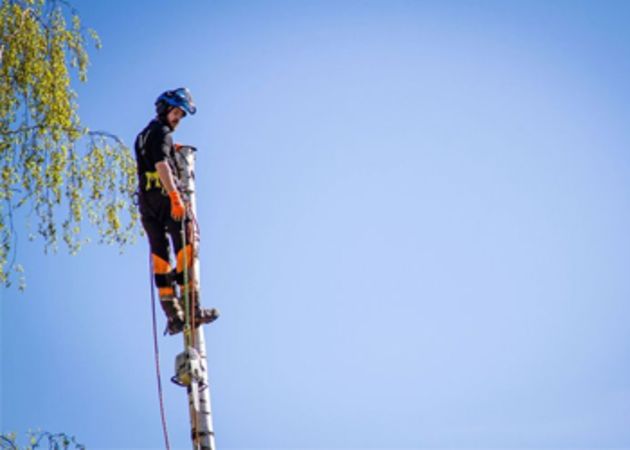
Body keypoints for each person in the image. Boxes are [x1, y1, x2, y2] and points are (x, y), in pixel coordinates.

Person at [134, 88, 218, 335]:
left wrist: (171, 150)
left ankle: (173, 315)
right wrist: (175, 197)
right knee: (186, 248)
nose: (178, 119)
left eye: (181, 114)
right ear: (164, 110)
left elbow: (154, 157)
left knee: (160, 257)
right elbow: (161, 165)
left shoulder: (143, 135)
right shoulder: (162, 133)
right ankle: (192, 310)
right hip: (164, 198)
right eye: (176, 112)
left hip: (147, 204)